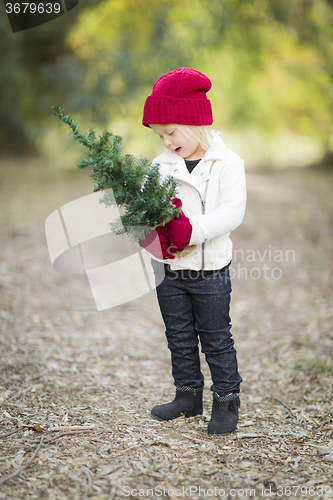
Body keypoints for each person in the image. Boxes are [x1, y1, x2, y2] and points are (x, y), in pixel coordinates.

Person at [140, 67, 246, 434]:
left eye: (170, 132)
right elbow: (146, 209)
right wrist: (148, 232)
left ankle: (227, 399)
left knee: (216, 337)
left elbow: (232, 213)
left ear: (194, 121)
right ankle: (187, 395)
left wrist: (191, 231)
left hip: (210, 270)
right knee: (179, 335)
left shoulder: (227, 164)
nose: (166, 142)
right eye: (159, 135)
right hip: (169, 269)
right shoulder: (159, 166)